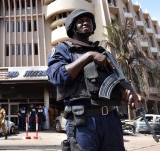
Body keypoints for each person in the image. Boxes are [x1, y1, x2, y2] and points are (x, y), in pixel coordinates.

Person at [45, 9, 142, 151]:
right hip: (83, 121)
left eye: (89, 20)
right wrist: (89, 56)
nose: (86, 22)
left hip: (111, 119)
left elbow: (120, 78)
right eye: (81, 20)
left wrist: (131, 91)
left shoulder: (103, 52)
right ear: (72, 26)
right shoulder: (64, 49)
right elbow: (57, 76)